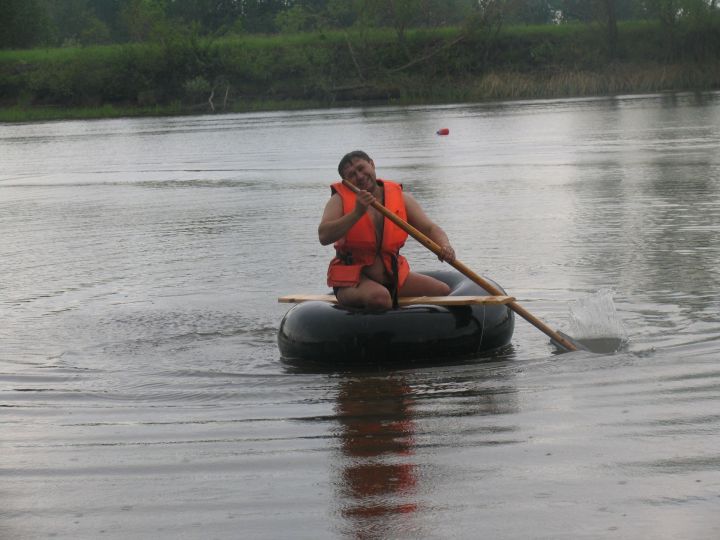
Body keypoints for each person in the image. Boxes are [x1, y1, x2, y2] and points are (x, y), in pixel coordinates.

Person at [318, 150, 456, 311]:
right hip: (353, 280)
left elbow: (429, 228)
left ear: (372, 164)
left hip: (391, 275)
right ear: (346, 181)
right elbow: (324, 235)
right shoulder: (338, 200)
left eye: (361, 168)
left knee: (442, 291)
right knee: (380, 298)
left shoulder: (400, 197)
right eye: (352, 175)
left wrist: (445, 245)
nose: (360, 176)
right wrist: (357, 213)